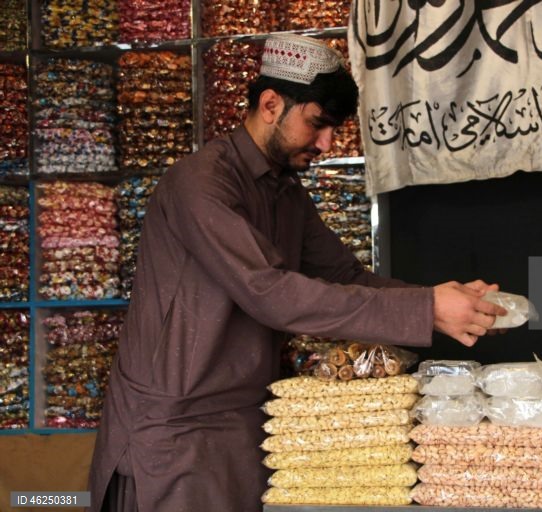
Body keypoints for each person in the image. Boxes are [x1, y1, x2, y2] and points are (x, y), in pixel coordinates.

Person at [87, 34, 507, 512]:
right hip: (175, 435)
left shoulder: (284, 192)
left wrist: (438, 296)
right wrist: (427, 310)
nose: (326, 144)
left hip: (247, 423)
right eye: (318, 125)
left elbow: (346, 275)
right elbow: (270, 293)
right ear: (270, 104)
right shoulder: (201, 184)